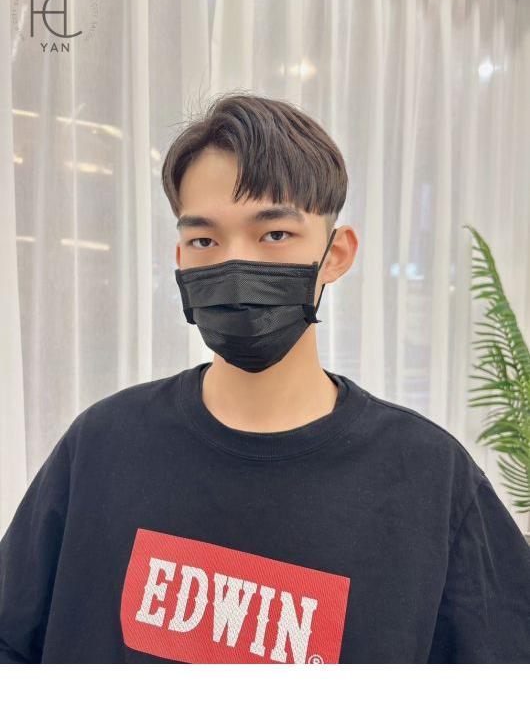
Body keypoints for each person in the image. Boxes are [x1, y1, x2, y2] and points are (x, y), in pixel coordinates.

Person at [1, 92, 529, 664]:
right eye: (204, 240)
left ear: (336, 254)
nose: (234, 265)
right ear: (180, 258)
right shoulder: (102, 446)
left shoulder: (429, 479)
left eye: (275, 234)